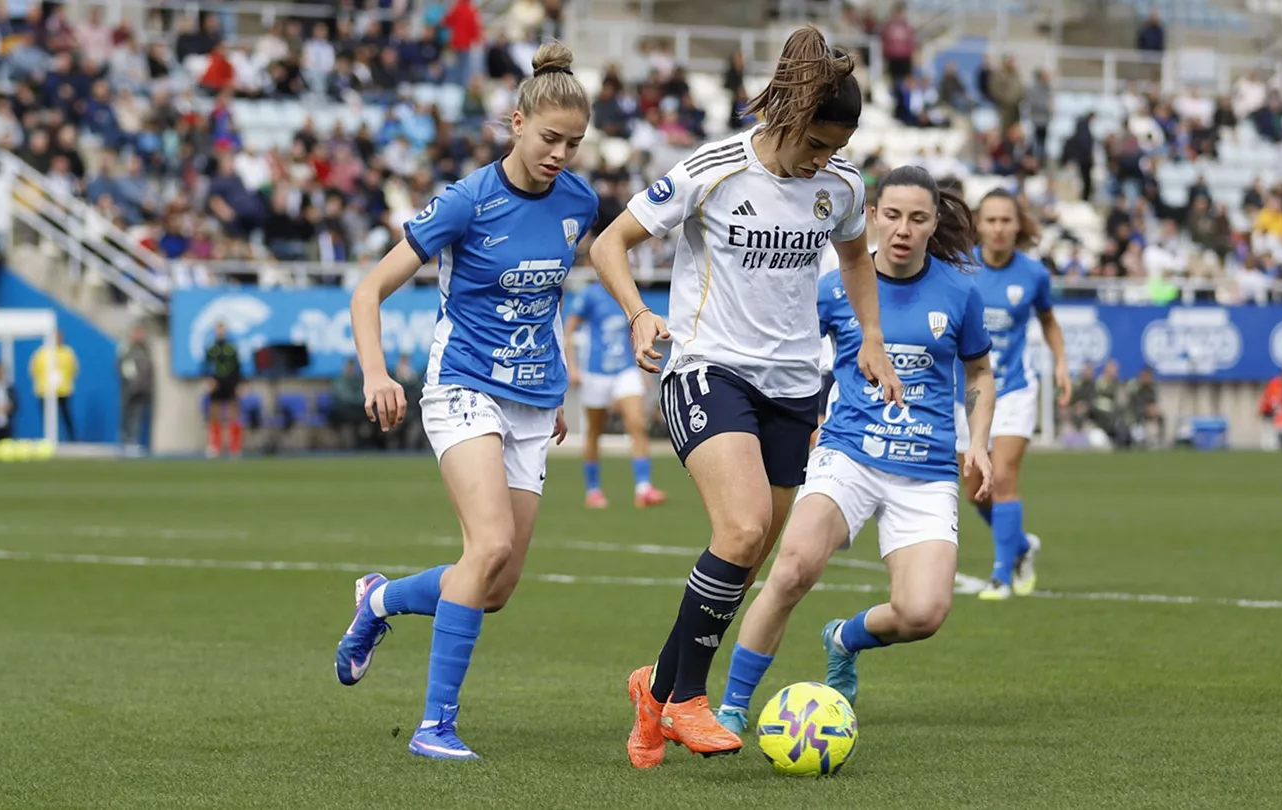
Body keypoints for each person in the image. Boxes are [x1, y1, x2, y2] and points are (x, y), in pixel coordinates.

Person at [588, 25, 903, 767]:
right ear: (787, 121)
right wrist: (640, 312)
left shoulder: (841, 186)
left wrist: (873, 338)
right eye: (817, 145)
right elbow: (609, 243)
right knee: (741, 528)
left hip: (796, 385)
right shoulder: (713, 169)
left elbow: (856, 256)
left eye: (835, 150)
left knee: (749, 553)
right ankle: (690, 701)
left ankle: (656, 687)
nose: (824, 161)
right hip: (708, 368)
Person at [332, 41, 597, 761]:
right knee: (489, 547)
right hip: (464, 386)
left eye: (574, 143)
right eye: (549, 139)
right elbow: (368, 291)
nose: (561, 154)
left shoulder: (580, 202)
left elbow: (549, 302)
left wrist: (560, 387)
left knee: (496, 585)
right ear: (515, 123)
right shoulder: (466, 201)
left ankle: (379, 600)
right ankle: (435, 727)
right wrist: (376, 373)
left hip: (534, 401)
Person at [713, 167, 996, 734]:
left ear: (933, 223)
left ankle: (843, 638)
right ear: (870, 216)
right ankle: (732, 710)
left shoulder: (960, 292)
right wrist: (804, 420)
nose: (903, 229)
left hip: (927, 470)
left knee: (923, 614)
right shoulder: (836, 286)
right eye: (891, 215)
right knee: (791, 571)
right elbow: (788, 358)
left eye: (918, 218)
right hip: (848, 455)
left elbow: (981, 374)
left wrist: (981, 445)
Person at [956, 189, 1070, 601]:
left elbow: (1049, 321)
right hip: (966, 391)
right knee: (974, 489)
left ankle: (1002, 575)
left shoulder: (1034, 274)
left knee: (1002, 476)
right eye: (991, 220)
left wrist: (1060, 363)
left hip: (1015, 389)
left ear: (1018, 225)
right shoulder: (959, 268)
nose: (999, 228)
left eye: (1007, 220)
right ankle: (1022, 546)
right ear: (978, 224)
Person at [563, 280, 667, 508]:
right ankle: (593, 490)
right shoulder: (590, 294)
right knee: (595, 430)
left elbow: (634, 331)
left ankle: (643, 488)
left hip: (625, 370)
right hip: (596, 371)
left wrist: (641, 368)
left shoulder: (628, 292)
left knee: (637, 423)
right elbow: (569, 329)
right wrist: (572, 366)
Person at [28, 330, 78, 441]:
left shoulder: (68, 352)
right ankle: (50, 439)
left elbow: (74, 369)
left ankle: (72, 440)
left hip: (63, 390)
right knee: (48, 418)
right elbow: (33, 369)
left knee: (66, 416)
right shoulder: (41, 353)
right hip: (45, 391)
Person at [203, 321, 244, 457]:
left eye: (223, 329)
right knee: (214, 415)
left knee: (233, 415)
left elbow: (238, 367)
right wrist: (209, 380)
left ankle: (234, 447)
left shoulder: (232, 348)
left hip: (230, 384)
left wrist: (239, 384)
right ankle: (215, 446)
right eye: (219, 329)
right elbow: (206, 366)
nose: (221, 332)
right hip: (216, 384)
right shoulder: (211, 348)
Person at [117, 323, 153, 452]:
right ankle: (125, 441)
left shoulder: (145, 349)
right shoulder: (126, 349)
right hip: (129, 388)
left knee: (137, 416)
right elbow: (123, 367)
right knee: (127, 414)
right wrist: (131, 381)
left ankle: (133, 441)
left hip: (142, 389)